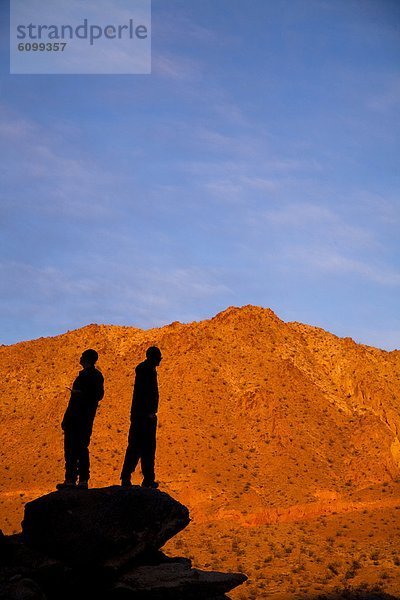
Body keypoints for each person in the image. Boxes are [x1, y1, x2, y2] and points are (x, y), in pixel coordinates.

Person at [57, 349, 104, 490]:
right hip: (74, 418)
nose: (80, 358)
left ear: (88, 359)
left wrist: (82, 395)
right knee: (70, 449)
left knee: (81, 448)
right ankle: (70, 479)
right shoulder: (83, 376)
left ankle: (82, 479)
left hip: (83, 418)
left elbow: (98, 395)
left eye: (83, 356)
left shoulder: (95, 376)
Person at [120, 346, 162, 489]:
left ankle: (146, 478)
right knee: (138, 447)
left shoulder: (148, 370)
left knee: (146, 448)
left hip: (144, 415)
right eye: (158, 358)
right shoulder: (145, 370)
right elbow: (144, 394)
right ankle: (128, 476)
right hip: (143, 416)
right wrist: (148, 412)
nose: (159, 361)